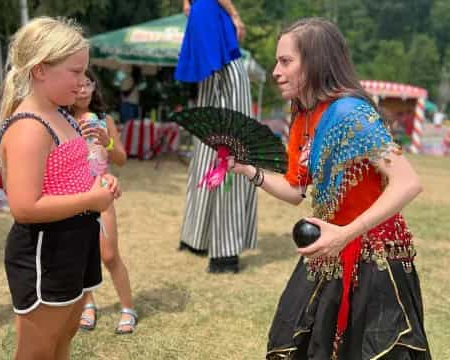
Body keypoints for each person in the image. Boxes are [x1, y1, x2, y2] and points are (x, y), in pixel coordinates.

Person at [229, 18, 431, 359]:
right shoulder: (303, 116)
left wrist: (345, 233)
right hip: (328, 250)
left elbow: (408, 182)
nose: (276, 71)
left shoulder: (349, 112)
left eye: (286, 61)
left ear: (315, 62)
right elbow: (296, 191)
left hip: (373, 259)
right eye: (277, 61)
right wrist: (247, 169)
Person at [0, 17, 120, 359]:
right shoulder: (30, 128)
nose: (84, 83)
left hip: (75, 243)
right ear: (40, 70)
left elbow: (72, 172)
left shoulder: (63, 116)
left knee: (64, 337)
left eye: (85, 73)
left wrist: (101, 181)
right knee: (37, 350)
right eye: (75, 72)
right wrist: (92, 199)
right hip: (45, 251)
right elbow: (24, 207)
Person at [175, 0, 256, 273]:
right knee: (232, 146)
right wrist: (235, 13)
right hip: (212, 19)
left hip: (202, 18)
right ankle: (224, 251)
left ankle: (196, 236)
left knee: (208, 146)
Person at [71, 69, 138, 334]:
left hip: (101, 190)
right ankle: (88, 304)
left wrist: (106, 141)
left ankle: (128, 308)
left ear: (93, 87)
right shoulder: (60, 119)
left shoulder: (103, 119)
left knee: (109, 255)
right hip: (73, 193)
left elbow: (121, 158)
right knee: (81, 255)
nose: (83, 89)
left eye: (88, 83)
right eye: (78, 84)